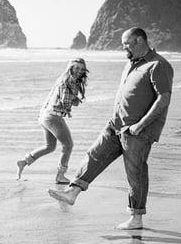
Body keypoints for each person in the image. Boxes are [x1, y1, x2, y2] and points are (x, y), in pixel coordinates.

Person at [48, 28, 173, 230]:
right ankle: (72, 192)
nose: (123, 47)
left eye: (127, 43)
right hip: (115, 125)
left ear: (139, 40)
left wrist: (140, 125)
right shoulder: (131, 64)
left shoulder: (158, 65)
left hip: (137, 131)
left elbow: (163, 99)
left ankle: (136, 218)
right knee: (94, 155)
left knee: (136, 174)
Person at [17, 58, 89, 183]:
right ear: (70, 68)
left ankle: (24, 161)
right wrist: (75, 101)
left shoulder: (62, 79)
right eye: (76, 68)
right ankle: (60, 176)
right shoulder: (69, 82)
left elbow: (54, 98)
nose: (79, 71)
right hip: (53, 117)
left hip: (46, 116)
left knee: (49, 147)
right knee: (68, 145)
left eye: (81, 69)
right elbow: (65, 103)